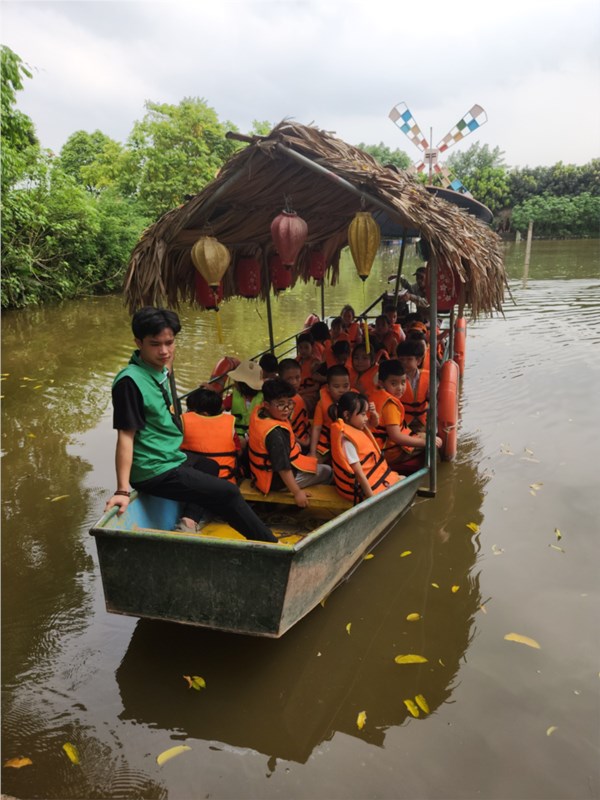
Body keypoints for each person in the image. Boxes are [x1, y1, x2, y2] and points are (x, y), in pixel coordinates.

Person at [104, 307, 276, 542]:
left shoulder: (158, 368)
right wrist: (122, 490)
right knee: (228, 491)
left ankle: (189, 519)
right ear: (138, 342)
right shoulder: (129, 383)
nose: (164, 351)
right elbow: (125, 436)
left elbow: (168, 362)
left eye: (169, 343)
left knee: (209, 466)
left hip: (169, 455)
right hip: (154, 469)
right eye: (155, 344)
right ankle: (271, 546)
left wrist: (168, 359)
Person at [248, 378, 332, 508]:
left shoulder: (259, 412)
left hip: (260, 475)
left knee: (312, 461)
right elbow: (283, 468)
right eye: (281, 404)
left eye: (290, 403)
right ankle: (294, 505)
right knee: (328, 471)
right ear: (267, 405)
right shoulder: (275, 433)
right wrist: (297, 492)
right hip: (275, 481)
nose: (287, 409)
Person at [329, 392, 401, 504]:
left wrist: (374, 414)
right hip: (362, 491)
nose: (366, 418)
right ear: (347, 415)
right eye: (363, 414)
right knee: (403, 481)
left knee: (401, 478)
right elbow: (359, 474)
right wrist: (372, 500)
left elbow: (374, 424)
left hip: (374, 479)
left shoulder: (355, 427)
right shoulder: (347, 442)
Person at [370, 359, 441, 469]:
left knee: (427, 437)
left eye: (403, 382)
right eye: (393, 383)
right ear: (381, 383)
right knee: (434, 442)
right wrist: (426, 443)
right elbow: (396, 437)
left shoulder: (376, 394)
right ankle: (435, 473)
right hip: (390, 452)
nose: (400, 388)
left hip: (379, 447)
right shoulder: (390, 406)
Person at [181, 387, 238, 483]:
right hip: (225, 482)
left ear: (204, 414)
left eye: (190, 410)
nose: (188, 412)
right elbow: (238, 451)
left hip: (193, 482)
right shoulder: (230, 425)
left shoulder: (183, 424)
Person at [309, 365, 352, 459]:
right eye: (336, 386)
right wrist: (312, 452)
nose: (342, 390)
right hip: (327, 442)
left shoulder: (355, 401)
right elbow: (317, 428)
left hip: (348, 442)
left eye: (345, 386)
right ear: (328, 388)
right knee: (311, 462)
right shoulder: (321, 404)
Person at [396, 340, 430, 433]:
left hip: (423, 420)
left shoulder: (428, 377)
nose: (404, 362)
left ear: (418, 361)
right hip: (402, 420)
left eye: (409, 359)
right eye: (401, 360)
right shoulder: (394, 378)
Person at [223, 359, 264, 436]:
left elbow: (219, 408)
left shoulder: (263, 398)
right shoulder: (263, 397)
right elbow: (220, 406)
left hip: (255, 435)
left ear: (242, 385)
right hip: (240, 436)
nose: (234, 383)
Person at [278, 358, 310, 449]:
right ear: (280, 379)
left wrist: (306, 442)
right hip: (295, 441)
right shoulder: (279, 401)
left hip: (300, 441)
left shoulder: (297, 398)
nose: (294, 382)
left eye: (297, 377)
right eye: (289, 379)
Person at [296, 332, 324, 416]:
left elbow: (316, 387)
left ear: (312, 347)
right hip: (297, 391)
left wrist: (300, 392)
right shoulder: (296, 361)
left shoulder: (315, 363)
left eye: (306, 347)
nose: (303, 350)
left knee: (299, 403)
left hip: (310, 394)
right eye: (300, 347)